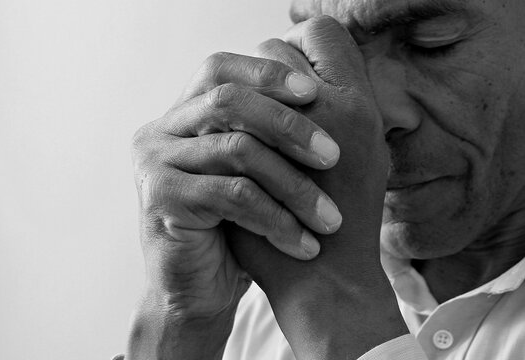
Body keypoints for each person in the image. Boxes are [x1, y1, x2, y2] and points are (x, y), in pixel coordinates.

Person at [122, 0, 525, 359]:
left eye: (430, 43)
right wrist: (180, 321)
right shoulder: (256, 290)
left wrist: (340, 307)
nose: (369, 115)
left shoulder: (309, 289)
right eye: (326, 57)